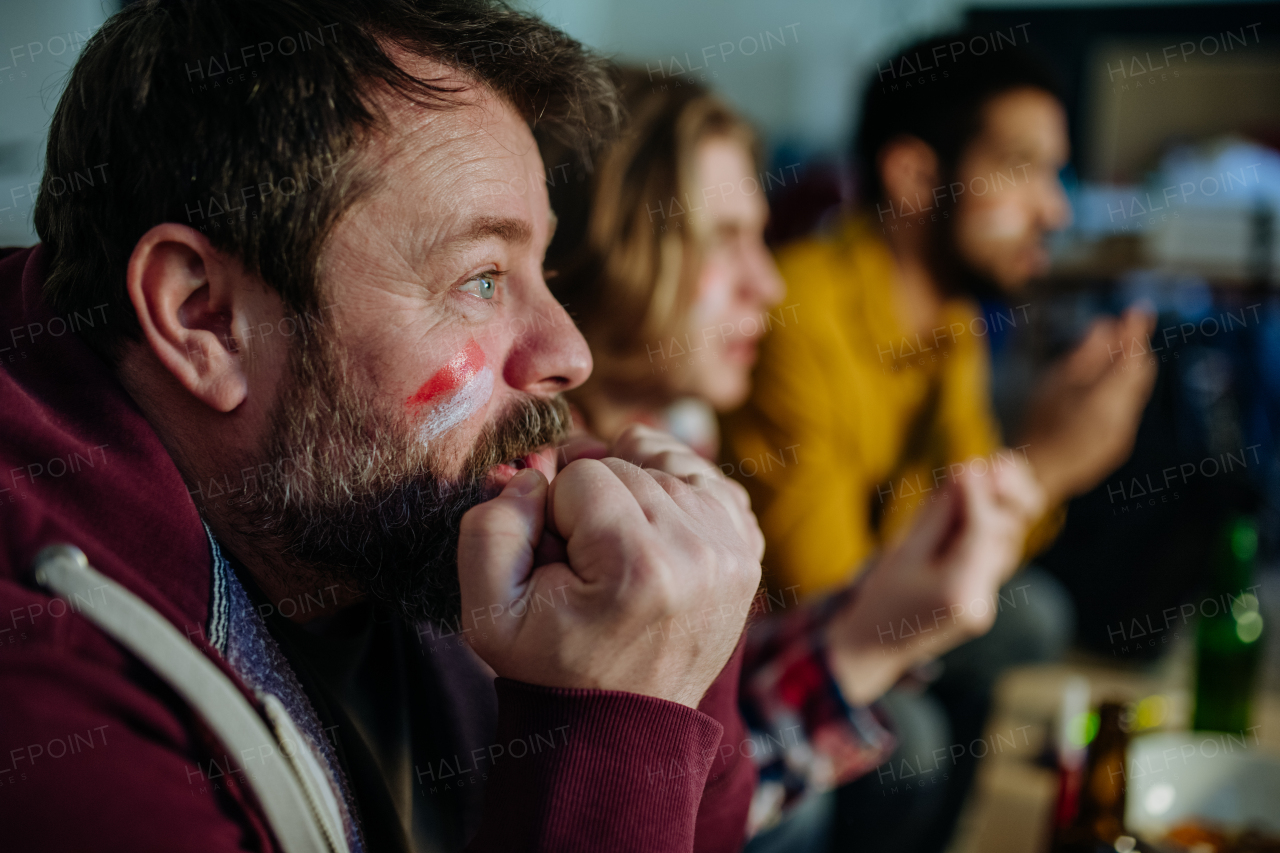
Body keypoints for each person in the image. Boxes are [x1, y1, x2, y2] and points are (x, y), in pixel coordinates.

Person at [0, 6, 1041, 853]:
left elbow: (707, 825)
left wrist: (678, 648)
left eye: (538, 266)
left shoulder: (360, 504)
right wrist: (604, 720)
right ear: (203, 317)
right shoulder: (51, 698)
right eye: (482, 277)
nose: (567, 349)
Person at [545, 69, 1048, 851]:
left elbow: (730, 667)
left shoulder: (681, 425)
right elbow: (679, 795)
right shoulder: (554, 493)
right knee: (871, 763)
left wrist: (899, 599)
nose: (768, 283)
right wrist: (876, 639)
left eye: (761, 235)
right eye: (723, 240)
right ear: (603, 247)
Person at [720, 34, 1158, 852]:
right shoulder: (798, 315)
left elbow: (980, 551)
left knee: (1032, 614)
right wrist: (1044, 465)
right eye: (1023, 168)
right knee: (910, 738)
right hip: (787, 642)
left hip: (876, 602)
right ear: (916, 175)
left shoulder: (948, 317)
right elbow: (827, 591)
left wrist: (1036, 474)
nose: (1055, 209)